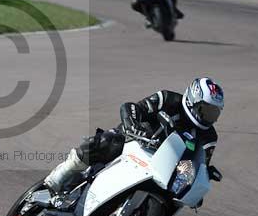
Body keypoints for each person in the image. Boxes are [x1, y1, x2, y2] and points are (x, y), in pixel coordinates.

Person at [44, 77, 223, 194]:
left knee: (173, 200)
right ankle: (60, 175)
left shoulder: (209, 137)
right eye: (206, 110)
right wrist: (133, 127)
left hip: (162, 166)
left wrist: (203, 177)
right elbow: (132, 107)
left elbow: (199, 163)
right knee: (106, 141)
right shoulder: (168, 99)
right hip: (134, 141)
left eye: (213, 113)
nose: (209, 116)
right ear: (193, 99)